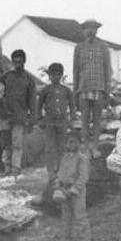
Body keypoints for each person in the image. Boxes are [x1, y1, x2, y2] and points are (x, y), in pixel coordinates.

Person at [36, 62, 75, 204]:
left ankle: (60, 169)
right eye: (53, 75)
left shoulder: (67, 90)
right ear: (49, 76)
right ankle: (50, 171)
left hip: (63, 122)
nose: (55, 77)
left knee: (62, 147)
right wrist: (39, 119)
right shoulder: (45, 90)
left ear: (62, 75)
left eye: (58, 74)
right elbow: (39, 105)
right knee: (49, 147)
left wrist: (73, 119)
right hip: (49, 122)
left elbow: (72, 104)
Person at [73, 19, 111, 158]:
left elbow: (107, 69)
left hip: (99, 88)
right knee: (84, 120)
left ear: (97, 30)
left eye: (93, 28)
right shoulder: (79, 48)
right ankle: (86, 147)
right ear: (83, 31)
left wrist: (107, 90)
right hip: (83, 88)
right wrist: (75, 92)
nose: (90, 31)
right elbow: (75, 70)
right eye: (87, 28)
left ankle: (95, 147)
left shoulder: (103, 47)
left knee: (96, 119)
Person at [0, 49, 37, 177]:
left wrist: (32, 118)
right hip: (4, 114)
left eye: (20, 61)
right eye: (15, 62)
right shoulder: (6, 76)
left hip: (19, 116)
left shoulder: (29, 79)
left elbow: (32, 100)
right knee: (5, 144)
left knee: (17, 144)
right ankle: (6, 168)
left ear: (24, 62)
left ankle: (15, 168)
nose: (17, 64)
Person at [52, 132, 92, 241]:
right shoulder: (65, 157)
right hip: (64, 189)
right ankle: (65, 239)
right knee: (65, 216)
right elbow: (60, 172)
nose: (72, 145)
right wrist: (58, 184)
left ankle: (84, 239)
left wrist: (75, 188)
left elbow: (83, 176)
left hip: (77, 190)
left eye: (74, 142)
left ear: (79, 143)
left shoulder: (82, 158)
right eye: (69, 142)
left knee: (80, 215)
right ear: (65, 144)